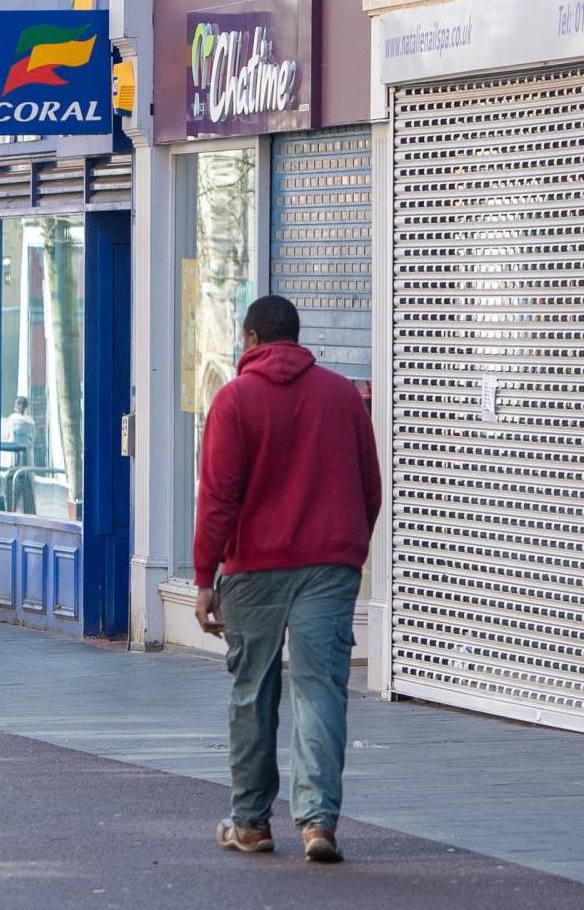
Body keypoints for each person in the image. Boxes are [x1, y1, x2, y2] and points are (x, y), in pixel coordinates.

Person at [194, 296, 381, 865]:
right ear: (297, 339)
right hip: (328, 567)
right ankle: (318, 821)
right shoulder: (342, 396)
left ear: (251, 340)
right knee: (320, 686)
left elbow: (219, 498)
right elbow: (369, 486)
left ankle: (251, 823)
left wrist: (206, 576)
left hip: (255, 569)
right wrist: (346, 549)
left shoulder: (234, 400)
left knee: (253, 689)